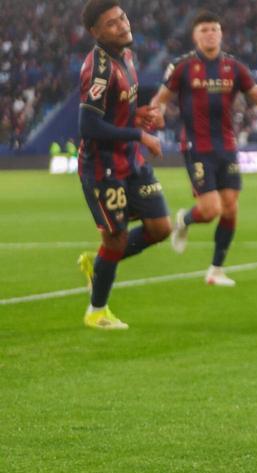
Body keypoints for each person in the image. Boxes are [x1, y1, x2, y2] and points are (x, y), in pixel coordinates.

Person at [150, 9, 257, 287]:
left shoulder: (234, 68)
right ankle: (185, 219)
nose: (210, 34)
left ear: (221, 33)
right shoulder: (182, 66)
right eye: (204, 30)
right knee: (210, 210)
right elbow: (161, 97)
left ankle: (215, 270)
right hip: (197, 146)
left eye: (214, 29)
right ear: (195, 36)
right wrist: (157, 113)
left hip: (227, 146)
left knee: (231, 208)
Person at [75, 0, 170, 330]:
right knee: (115, 239)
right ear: (95, 32)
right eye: (112, 23)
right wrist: (140, 135)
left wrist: (138, 115)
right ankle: (97, 311)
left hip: (131, 160)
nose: (122, 25)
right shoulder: (98, 68)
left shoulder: (126, 56)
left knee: (160, 228)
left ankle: (97, 263)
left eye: (123, 17)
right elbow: (88, 126)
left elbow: (117, 109)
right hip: (103, 168)